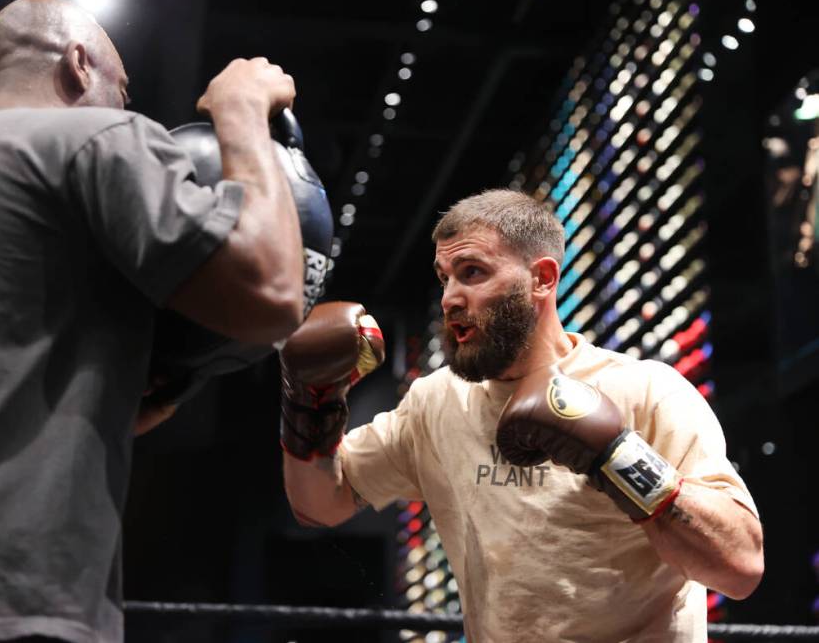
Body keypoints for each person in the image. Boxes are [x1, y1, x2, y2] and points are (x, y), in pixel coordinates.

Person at [0, 0, 304, 642]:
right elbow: (273, 291)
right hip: (9, 599)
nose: (126, 107)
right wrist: (242, 112)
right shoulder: (90, 137)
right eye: (123, 89)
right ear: (79, 66)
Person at [279, 189, 764, 642]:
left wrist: (616, 455)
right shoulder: (436, 402)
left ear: (543, 278)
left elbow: (739, 566)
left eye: (472, 272)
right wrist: (311, 402)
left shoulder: (644, 390)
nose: (449, 297)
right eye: (444, 277)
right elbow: (320, 504)